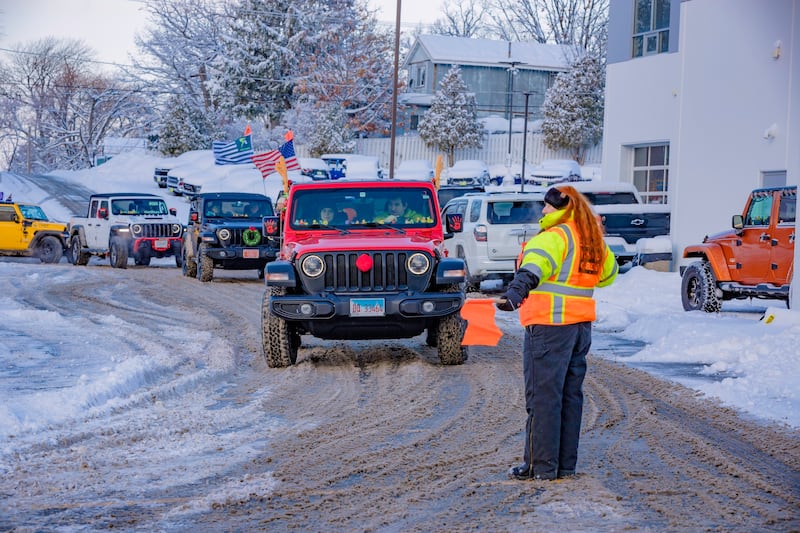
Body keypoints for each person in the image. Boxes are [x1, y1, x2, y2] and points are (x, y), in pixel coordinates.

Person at [496, 185, 618, 481]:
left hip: (549, 327)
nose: (544, 211)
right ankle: (564, 465)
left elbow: (534, 268)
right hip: (579, 330)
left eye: (549, 206)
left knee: (543, 398)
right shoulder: (590, 239)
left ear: (562, 209)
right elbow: (608, 274)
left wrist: (516, 291)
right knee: (568, 397)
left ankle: (541, 467)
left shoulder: (555, 236)